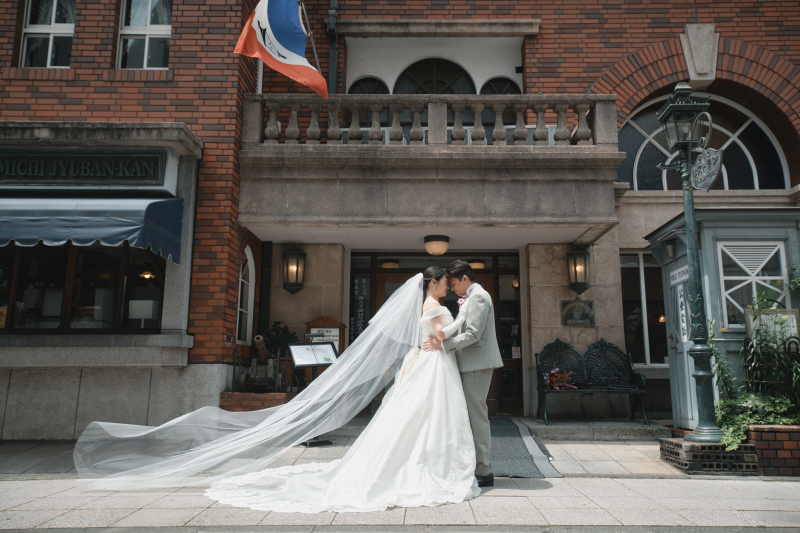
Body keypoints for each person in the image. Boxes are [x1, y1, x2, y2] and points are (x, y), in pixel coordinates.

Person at [74, 269, 480, 513]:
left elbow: (432, 337)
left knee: (417, 417)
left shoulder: (426, 305)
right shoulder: (433, 306)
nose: (448, 287)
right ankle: (426, 466)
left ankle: (422, 460)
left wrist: (445, 331)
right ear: (434, 284)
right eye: (445, 283)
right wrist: (462, 320)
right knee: (423, 416)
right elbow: (441, 335)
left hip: (428, 363)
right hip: (432, 362)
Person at [423, 260, 503, 488]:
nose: (452, 288)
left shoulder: (478, 296)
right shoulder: (473, 296)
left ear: (465, 279)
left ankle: (484, 471)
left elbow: (474, 334)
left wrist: (443, 345)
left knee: (477, 418)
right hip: (470, 363)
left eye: (455, 283)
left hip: (476, 364)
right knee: (471, 417)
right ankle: (476, 466)